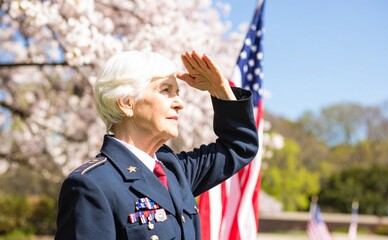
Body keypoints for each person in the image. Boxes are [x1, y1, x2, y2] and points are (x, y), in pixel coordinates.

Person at [55, 50, 259, 240]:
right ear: (126, 103)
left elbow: (239, 145)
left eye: (177, 92)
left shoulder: (174, 171)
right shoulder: (91, 185)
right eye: (165, 90)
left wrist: (220, 90)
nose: (180, 103)